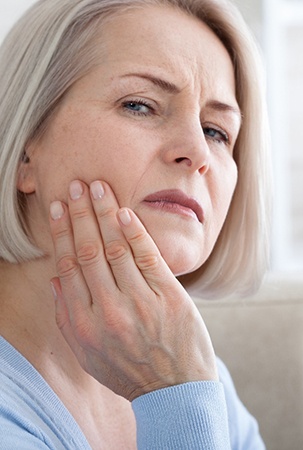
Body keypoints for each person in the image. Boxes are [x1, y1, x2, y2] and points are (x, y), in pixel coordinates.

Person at [0, 0, 271, 448]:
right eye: (141, 106)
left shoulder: (192, 373)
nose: (197, 153)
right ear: (26, 148)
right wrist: (173, 398)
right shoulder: (180, 383)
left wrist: (180, 389)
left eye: (216, 132)